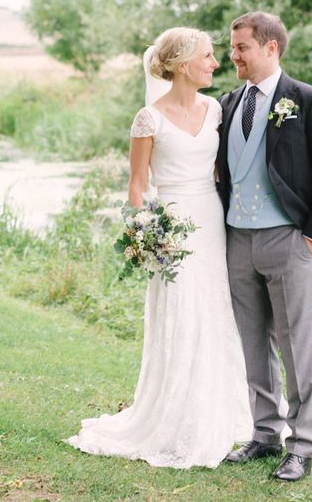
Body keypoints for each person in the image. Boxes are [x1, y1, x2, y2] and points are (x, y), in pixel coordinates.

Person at [66, 27, 252, 468]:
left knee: (214, 310)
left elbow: (224, 171)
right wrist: (147, 236)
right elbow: (136, 185)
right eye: (208, 56)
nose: (215, 63)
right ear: (184, 64)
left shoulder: (216, 111)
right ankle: (175, 419)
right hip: (172, 225)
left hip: (211, 218)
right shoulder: (148, 118)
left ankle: (222, 414)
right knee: (181, 312)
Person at [216, 12, 312, 482]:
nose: (233, 56)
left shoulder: (309, 100)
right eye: (231, 48)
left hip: (290, 240)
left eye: (241, 47)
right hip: (237, 240)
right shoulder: (228, 103)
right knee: (254, 344)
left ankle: (303, 444)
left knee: (297, 347)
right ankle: (264, 432)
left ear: (270, 48)